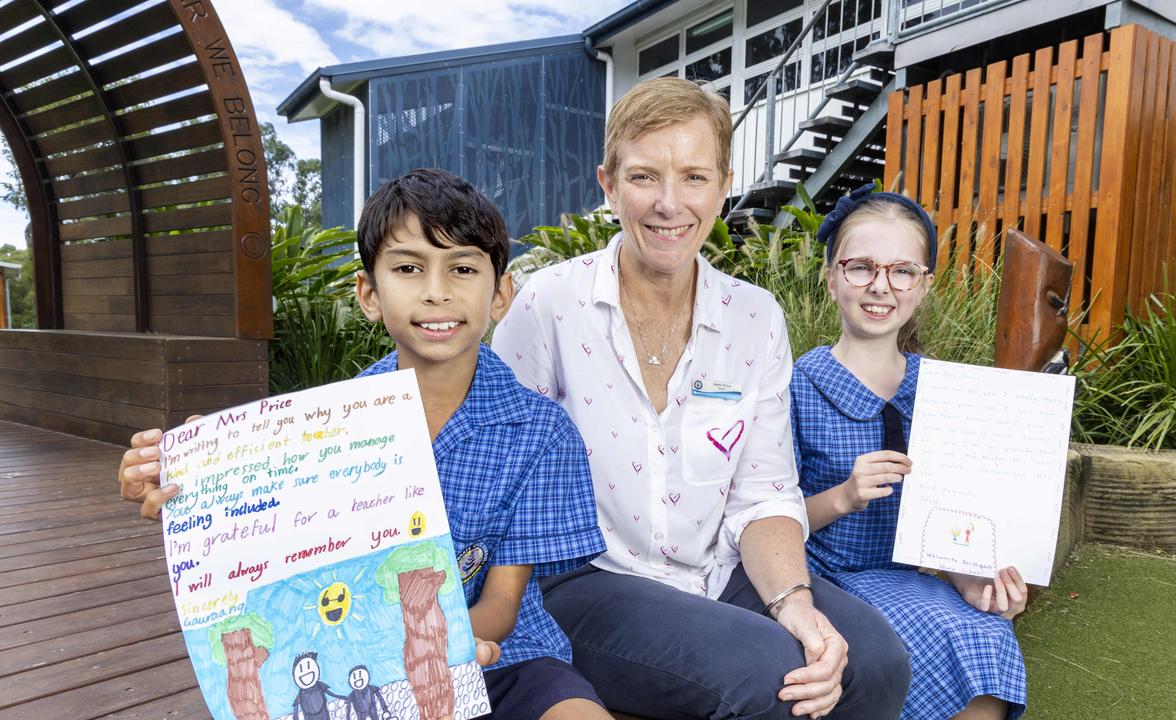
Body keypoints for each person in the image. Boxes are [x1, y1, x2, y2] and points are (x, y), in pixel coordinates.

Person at [119, 169, 612, 720]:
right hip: (354, 679)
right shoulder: (323, 429)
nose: (436, 290)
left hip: (503, 661)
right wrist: (187, 476)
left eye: (464, 268)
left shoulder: (541, 431)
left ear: (500, 294)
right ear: (370, 294)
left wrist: (432, 656)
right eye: (407, 268)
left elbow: (501, 605)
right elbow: (255, 530)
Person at [491, 77, 910, 719]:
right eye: (643, 177)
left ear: (723, 185)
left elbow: (764, 493)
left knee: (875, 659)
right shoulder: (549, 304)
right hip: (586, 579)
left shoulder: (754, 317)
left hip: (718, 565)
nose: (668, 203)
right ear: (607, 184)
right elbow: (500, 479)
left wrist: (795, 601)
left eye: (693, 177)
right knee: (770, 672)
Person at [790, 183, 1029, 720]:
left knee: (987, 630)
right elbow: (766, 519)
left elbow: (962, 517)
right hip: (825, 577)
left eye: (901, 271)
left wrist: (972, 575)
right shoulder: (797, 385)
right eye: (861, 267)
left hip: (916, 577)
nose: (881, 286)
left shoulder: (947, 393)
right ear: (831, 278)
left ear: (923, 286)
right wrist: (844, 496)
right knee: (914, 635)